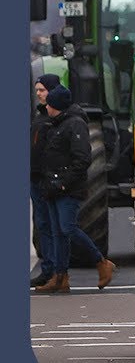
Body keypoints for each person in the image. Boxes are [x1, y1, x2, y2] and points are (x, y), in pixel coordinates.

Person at [33, 85, 114, 293]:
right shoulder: (54, 123)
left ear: (56, 105)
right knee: (58, 232)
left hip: (66, 188)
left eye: (49, 103)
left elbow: (82, 159)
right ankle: (60, 276)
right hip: (51, 186)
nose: (46, 106)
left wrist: (63, 182)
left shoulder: (75, 125)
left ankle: (101, 262)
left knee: (68, 228)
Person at [29, 74, 59, 288]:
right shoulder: (41, 116)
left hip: (48, 179)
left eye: (42, 90)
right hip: (37, 178)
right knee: (43, 225)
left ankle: (57, 270)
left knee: (58, 226)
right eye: (37, 90)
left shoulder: (57, 117)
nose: (39, 94)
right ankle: (50, 270)